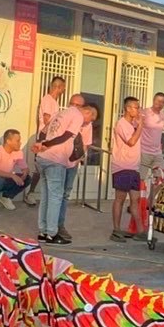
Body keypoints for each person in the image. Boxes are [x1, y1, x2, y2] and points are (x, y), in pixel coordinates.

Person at [33, 98, 96, 245]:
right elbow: (66, 135)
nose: (87, 123)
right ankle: (52, 233)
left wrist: (41, 144)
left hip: (43, 158)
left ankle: (43, 231)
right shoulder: (77, 116)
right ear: (87, 112)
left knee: (46, 196)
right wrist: (46, 144)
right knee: (56, 197)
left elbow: (43, 132)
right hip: (55, 160)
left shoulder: (60, 113)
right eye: (90, 119)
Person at [25, 75, 67, 203]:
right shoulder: (48, 100)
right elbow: (47, 119)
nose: (64, 90)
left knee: (47, 166)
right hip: (44, 137)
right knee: (39, 167)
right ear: (59, 87)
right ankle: (30, 193)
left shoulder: (54, 102)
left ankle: (44, 194)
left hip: (50, 138)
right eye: (63, 88)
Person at [108, 97, 145, 241]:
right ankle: (116, 230)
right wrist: (140, 126)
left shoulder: (132, 125)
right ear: (128, 108)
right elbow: (131, 141)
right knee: (120, 198)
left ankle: (140, 231)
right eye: (136, 107)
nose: (138, 110)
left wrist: (138, 125)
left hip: (134, 167)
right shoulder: (121, 124)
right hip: (122, 166)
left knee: (135, 199)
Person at [0, 130, 28, 211]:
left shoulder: (18, 152)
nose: (20, 143)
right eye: (17, 141)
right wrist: (12, 175)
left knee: (28, 178)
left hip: (5, 178)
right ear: (8, 141)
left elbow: (25, 168)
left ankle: (5, 197)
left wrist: (25, 173)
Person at [139, 91, 164, 187]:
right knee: (140, 179)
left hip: (157, 152)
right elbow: (135, 128)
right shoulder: (145, 113)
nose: (160, 104)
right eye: (158, 101)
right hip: (144, 151)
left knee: (161, 178)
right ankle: (139, 196)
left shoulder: (163, 116)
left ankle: (152, 197)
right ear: (153, 100)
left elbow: (159, 132)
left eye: (163, 102)